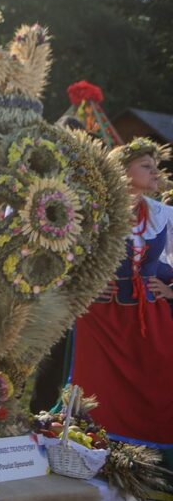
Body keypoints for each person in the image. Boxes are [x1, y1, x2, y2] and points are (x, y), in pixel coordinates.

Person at [69, 137, 173, 464]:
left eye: (156, 167)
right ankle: (86, 459)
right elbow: (65, 257)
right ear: (123, 171)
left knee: (157, 387)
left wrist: (170, 291)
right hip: (100, 320)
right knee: (96, 393)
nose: (156, 174)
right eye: (146, 166)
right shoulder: (95, 212)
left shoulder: (163, 215)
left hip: (148, 320)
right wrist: (82, 286)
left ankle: (144, 465)